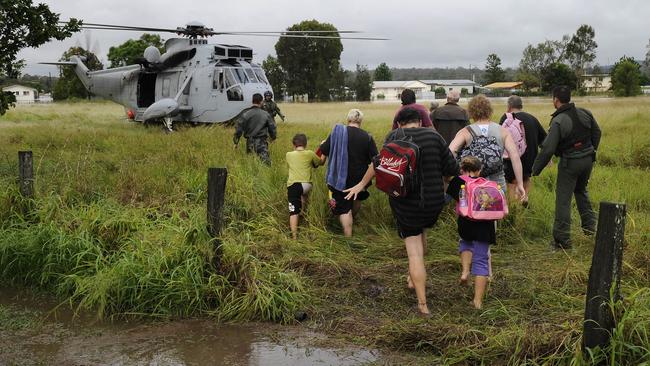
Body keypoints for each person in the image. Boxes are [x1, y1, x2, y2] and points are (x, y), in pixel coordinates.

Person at [345, 107, 459, 316]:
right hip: (433, 202)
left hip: (405, 202)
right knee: (423, 233)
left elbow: (377, 162)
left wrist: (361, 185)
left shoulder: (394, 136)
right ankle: (411, 279)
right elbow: (451, 169)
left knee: (414, 252)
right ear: (421, 122)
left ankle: (422, 304)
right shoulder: (434, 136)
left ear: (399, 123)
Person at [532, 85, 601, 250]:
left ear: (555, 100)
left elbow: (548, 148)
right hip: (588, 160)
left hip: (570, 163)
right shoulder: (585, 112)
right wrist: (590, 150)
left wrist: (535, 169)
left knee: (563, 200)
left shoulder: (558, 120)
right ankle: (591, 229)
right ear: (569, 97)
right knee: (581, 191)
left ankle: (562, 241)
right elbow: (597, 133)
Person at [448, 94, 526, 199]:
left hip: (472, 184)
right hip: (497, 184)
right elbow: (515, 156)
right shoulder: (503, 131)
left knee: (472, 211)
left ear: (471, 111)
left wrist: (452, 173)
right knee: (495, 211)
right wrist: (520, 184)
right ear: (489, 110)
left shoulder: (465, 131)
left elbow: (450, 151)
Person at [320, 109, 378, 237]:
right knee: (356, 198)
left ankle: (348, 236)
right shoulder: (367, 137)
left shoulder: (337, 133)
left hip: (340, 178)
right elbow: (376, 159)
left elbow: (324, 149)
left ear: (348, 120)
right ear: (360, 121)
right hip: (360, 178)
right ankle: (353, 218)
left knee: (344, 209)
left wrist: (323, 143)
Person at [447, 156, 495, 310]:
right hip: (485, 227)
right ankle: (477, 301)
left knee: (465, 243)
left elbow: (450, 199)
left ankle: (465, 271)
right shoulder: (487, 184)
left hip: (465, 223)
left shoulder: (457, 181)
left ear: (462, 169)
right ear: (479, 170)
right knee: (481, 261)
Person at [498, 95, 548, 205]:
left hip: (512, 159)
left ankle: (513, 208)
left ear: (509, 106)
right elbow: (544, 139)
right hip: (531, 158)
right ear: (521, 105)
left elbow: (499, 138)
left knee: (511, 182)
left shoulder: (507, 118)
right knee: (526, 178)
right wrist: (547, 158)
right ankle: (525, 200)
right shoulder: (532, 118)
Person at [286, 133, 324, 239]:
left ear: (294, 144)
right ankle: (303, 218)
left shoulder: (288, 155)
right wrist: (323, 150)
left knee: (293, 212)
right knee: (303, 198)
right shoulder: (310, 153)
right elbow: (320, 162)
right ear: (305, 144)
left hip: (294, 185)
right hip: (307, 185)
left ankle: (294, 237)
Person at [233, 93, 277, 166]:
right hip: (262, 142)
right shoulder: (265, 114)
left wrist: (236, 142)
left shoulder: (245, 114)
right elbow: (272, 127)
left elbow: (239, 129)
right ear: (261, 101)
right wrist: (273, 137)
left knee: (251, 163)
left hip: (250, 142)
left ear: (252, 101)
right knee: (266, 164)